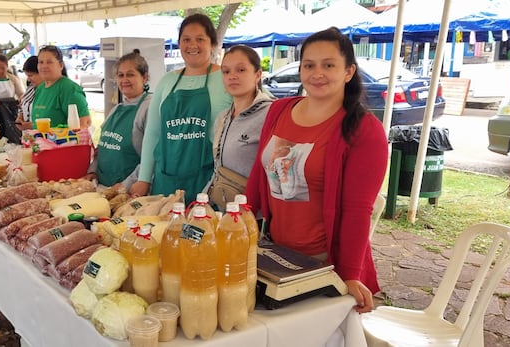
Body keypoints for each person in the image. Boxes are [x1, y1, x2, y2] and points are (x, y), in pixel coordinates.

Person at [245, 27, 389, 314]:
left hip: (324, 263)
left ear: (348, 72)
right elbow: (260, 174)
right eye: (309, 65)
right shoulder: (279, 110)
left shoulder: (364, 129)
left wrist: (349, 274)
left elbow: (358, 210)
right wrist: (242, 217)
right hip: (275, 254)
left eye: (329, 65)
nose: (317, 73)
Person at [131, 13, 232, 203]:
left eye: (200, 39)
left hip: (208, 181)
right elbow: (153, 133)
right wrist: (144, 178)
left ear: (213, 44)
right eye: (186, 39)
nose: (192, 45)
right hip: (167, 180)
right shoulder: (167, 81)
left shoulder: (226, 79)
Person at [205, 45, 274, 211]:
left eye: (241, 70)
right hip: (226, 211)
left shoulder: (271, 114)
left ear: (257, 74)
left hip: (255, 216)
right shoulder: (223, 117)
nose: (232, 76)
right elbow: (218, 169)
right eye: (226, 72)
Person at [84, 50, 151, 191]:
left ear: (144, 77)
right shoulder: (116, 109)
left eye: (130, 74)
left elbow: (151, 157)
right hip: (103, 188)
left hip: (128, 191)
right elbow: (102, 148)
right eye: (120, 75)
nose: (124, 80)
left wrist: (125, 186)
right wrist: (92, 170)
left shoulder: (149, 107)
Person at [30, 45, 91, 130]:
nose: (44, 66)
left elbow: (84, 123)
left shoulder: (69, 89)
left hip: (63, 142)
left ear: (61, 65)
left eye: (49, 62)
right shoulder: (40, 88)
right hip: (40, 142)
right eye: (41, 62)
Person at [15, 55, 42, 131]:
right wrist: (20, 116)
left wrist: (32, 125)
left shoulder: (50, 91)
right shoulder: (30, 88)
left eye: (31, 75)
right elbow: (23, 104)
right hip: (28, 135)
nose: (29, 79)